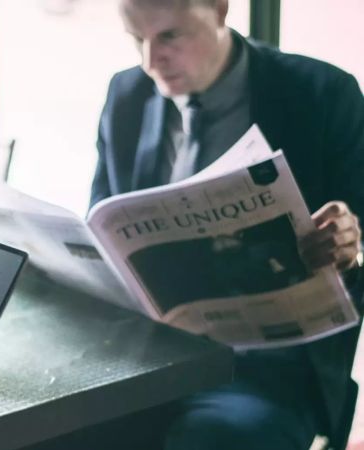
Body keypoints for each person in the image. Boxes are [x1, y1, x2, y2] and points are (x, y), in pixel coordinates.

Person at [93, 0, 364, 448]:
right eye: (136, 39)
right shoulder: (126, 94)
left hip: (268, 367)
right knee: (52, 427)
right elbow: (101, 220)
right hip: (146, 356)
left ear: (220, 9)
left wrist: (347, 241)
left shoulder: (322, 92)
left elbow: (357, 220)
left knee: (213, 439)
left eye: (169, 36)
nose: (149, 60)